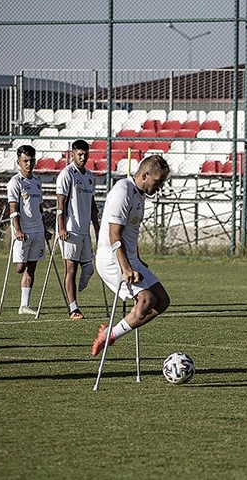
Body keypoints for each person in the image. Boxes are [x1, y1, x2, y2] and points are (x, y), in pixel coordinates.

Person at [91, 154, 171, 356]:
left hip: (129, 257)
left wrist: (136, 258)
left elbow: (130, 233)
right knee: (146, 301)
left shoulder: (138, 194)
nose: (160, 187)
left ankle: (111, 333)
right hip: (111, 259)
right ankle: (109, 336)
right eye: (158, 181)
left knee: (162, 300)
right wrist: (126, 267)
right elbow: (114, 234)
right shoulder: (122, 191)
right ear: (145, 175)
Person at [56, 140, 100, 320]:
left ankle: (78, 293)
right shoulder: (66, 174)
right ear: (72, 154)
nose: (83, 157)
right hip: (70, 230)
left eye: (85, 154)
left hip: (84, 230)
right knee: (71, 269)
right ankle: (73, 308)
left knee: (89, 269)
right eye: (79, 154)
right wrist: (61, 227)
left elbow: (92, 206)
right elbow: (61, 204)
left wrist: (97, 229)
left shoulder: (89, 176)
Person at [7, 145, 50, 315]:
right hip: (22, 232)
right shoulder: (15, 182)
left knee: (32, 267)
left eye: (31, 160)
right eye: (25, 160)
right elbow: (13, 208)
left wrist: (45, 228)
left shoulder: (37, 181)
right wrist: (17, 230)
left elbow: (39, 208)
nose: (29, 163)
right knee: (20, 268)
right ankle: (22, 302)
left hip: (37, 230)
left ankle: (24, 305)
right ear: (19, 162)